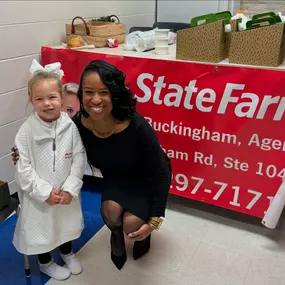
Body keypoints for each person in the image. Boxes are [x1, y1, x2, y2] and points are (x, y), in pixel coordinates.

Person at [12, 59, 172, 271]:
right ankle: (115, 234)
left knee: (132, 223)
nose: (95, 99)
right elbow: (57, 142)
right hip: (116, 178)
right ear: (81, 94)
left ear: (114, 92)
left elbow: (161, 172)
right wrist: (21, 153)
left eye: (104, 92)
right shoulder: (77, 124)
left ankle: (142, 236)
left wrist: (154, 221)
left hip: (145, 179)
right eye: (88, 92)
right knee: (111, 211)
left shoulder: (136, 124)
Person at [13, 59, 87, 281]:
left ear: (61, 99)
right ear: (31, 101)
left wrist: (70, 187)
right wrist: (44, 193)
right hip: (39, 195)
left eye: (52, 97)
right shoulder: (26, 131)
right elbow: (23, 168)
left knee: (65, 222)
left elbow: (79, 156)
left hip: (66, 191)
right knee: (42, 228)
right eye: (39, 99)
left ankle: (67, 252)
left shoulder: (69, 126)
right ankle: (46, 262)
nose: (47, 103)